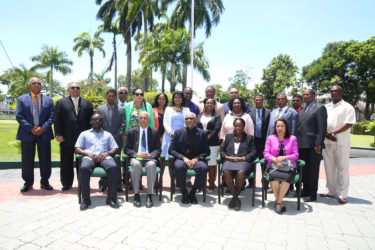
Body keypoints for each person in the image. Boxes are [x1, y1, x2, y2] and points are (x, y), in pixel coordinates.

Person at [16, 77, 55, 192]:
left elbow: (52, 116)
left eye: (39, 83)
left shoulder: (48, 100)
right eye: (34, 83)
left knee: (45, 159)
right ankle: (28, 183)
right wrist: (31, 128)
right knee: (27, 159)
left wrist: (43, 128)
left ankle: (45, 182)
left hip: (44, 133)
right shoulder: (21, 99)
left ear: (41, 86)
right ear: (30, 86)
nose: (36, 85)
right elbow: (19, 116)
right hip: (27, 133)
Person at [75, 114, 119, 210]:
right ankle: (86, 199)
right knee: (84, 168)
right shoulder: (84, 134)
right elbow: (77, 148)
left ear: (102, 122)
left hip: (104, 157)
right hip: (89, 156)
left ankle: (111, 198)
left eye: (99, 120)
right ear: (91, 121)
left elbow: (115, 148)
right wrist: (87, 154)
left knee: (113, 167)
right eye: (95, 119)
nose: (97, 121)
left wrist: (107, 153)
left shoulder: (108, 134)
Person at [54, 82, 93, 191]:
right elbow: (57, 119)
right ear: (68, 90)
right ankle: (66, 183)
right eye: (73, 87)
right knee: (66, 162)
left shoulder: (87, 103)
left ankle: (83, 182)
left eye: (77, 88)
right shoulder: (61, 102)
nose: (75, 89)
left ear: (80, 90)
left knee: (83, 162)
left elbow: (91, 121)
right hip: (66, 138)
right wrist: (58, 134)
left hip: (83, 140)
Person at [321, 86, 356, 204]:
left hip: (340, 142)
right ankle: (330, 190)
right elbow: (321, 122)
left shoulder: (347, 107)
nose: (334, 93)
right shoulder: (326, 107)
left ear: (341, 92)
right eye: (332, 91)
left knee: (342, 168)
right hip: (327, 141)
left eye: (336, 91)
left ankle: (342, 194)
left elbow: (348, 123)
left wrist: (333, 133)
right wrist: (326, 134)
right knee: (329, 167)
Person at [169, 112, 210, 204]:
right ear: (184, 121)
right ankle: (184, 192)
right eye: (187, 118)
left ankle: (193, 192)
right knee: (179, 167)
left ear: (195, 120)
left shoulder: (202, 133)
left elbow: (207, 151)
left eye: (191, 118)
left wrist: (196, 159)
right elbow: (171, 150)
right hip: (182, 159)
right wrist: (183, 158)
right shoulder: (178, 132)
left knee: (203, 168)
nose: (189, 120)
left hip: (197, 159)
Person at [124, 112, 161, 208]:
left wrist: (150, 155)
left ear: (149, 120)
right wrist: (136, 154)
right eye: (141, 118)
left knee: (152, 165)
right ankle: (136, 194)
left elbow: (158, 149)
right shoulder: (131, 132)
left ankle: (149, 195)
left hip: (149, 158)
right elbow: (126, 149)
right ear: (138, 120)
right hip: (137, 157)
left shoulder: (154, 132)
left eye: (145, 118)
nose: (143, 119)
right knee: (136, 164)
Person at [296, 89, 327, 202]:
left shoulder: (319, 108)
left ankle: (312, 194)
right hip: (302, 145)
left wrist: (318, 144)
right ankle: (305, 190)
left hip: (313, 145)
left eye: (307, 94)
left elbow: (321, 128)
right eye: (304, 95)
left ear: (313, 95)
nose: (305, 96)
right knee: (303, 170)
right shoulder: (303, 109)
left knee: (312, 170)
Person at [263, 119, 299, 214]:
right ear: (275, 128)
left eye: (282, 126)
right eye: (277, 126)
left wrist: (284, 157)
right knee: (273, 177)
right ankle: (279, 201)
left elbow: (295, 155)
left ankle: (278, 202)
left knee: (286, 178)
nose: (279, 128)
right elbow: (266, 153)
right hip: (274, 166)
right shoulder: (271, 138)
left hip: (288, 166)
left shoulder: (292, 138)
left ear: (286, 127)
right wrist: (275, 160)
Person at [220, 118, 257, 210]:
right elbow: (222, 150)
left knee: (241, 172)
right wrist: (227, 157)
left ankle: (234, 198)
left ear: (244, 127)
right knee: (226, 171)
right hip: (230, 161)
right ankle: (236, 197)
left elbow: (253, 152)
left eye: (240, 125)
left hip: (243, 161)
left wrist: (243, 158)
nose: (237, 127)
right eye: (236, 125)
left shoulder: (249, 138)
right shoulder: (228, 137)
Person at [97, 89, 126, 192]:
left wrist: (115, 136)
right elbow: (98, 124)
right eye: (109, 96)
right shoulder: (100, 109)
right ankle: (103, 184)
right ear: (106, 97)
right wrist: (106, 136)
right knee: (103, 161)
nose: (111, 98)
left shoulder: (121, 109)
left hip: (117, 140)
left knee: (117, 162)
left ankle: (118, 185)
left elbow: (123, 124)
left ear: (115, 97)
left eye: (113, 96)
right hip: (103, 141)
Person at [197, 98, 222, 192]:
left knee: (211, 164)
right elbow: (196, 126)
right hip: (200, 143)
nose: (209, 105)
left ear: (214, 105)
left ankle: (211, 184)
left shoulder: (217, 116)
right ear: (204, 104)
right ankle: (200, 184)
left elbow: (217, 129)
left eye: (211, 103)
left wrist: (207, 137)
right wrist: (202, 135)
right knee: (201, 164)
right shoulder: (199, 115)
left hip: (213, 143)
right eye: (207, 103)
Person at [249, 94, 271, 188]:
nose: (258, 101)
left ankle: (265, 183)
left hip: (264, 141)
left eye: (260, 100)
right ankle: (251, 183)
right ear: (254, 101)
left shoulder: (268, 112)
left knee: (265, 163)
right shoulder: (250, 112)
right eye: (257, 100)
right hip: (253, 141)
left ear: (263, 101)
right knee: (251, 162)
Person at [161, 91, 190, 159]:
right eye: (175, 97)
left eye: (179, 97)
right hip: (170, 135)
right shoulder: (168, 109)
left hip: (182, 136)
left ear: (182, 99)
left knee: (180, 157)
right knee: (167, 157)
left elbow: (189, 123)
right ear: (173, 99)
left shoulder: (187, 110)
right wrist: (170, 132)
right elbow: (165, 122)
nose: (177, 99)